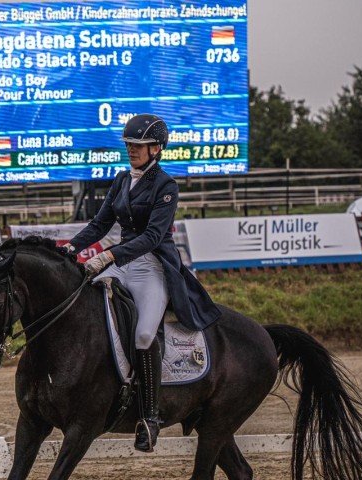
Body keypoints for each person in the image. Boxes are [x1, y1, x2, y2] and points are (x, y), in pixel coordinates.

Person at [64, 114, 221, 452]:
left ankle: (149, 417)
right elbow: (100, 224)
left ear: (156, 148)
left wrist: (108, 256)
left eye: (137, 146)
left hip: (151, 267)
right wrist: (70, 248)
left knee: (146, 332)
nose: (131, 150)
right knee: (82, 303)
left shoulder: (166, 186)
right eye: (129, 145)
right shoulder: (121, 180)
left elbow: (152, 236)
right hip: (121, 264)